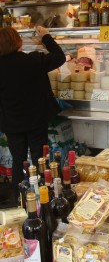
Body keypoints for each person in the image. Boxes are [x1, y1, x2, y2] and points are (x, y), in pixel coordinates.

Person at [0, 26, 66, 204]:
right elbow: (60, 57)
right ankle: (40, 198)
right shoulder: (34, 60)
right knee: (38, 159)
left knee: (18, 160)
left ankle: (20, 200)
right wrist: (46, 37)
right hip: (36, 120)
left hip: (11, 122)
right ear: (18, 42)